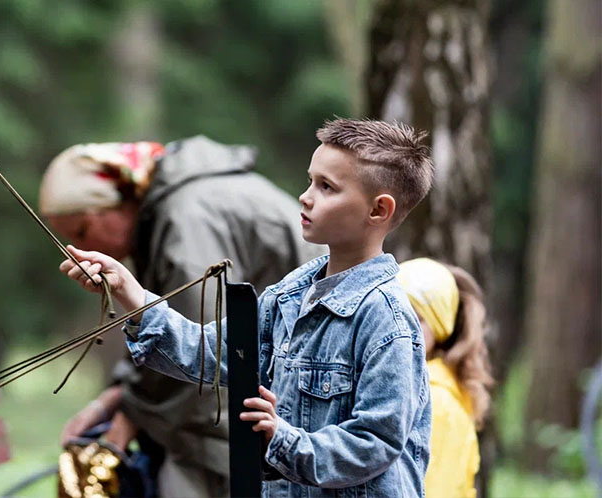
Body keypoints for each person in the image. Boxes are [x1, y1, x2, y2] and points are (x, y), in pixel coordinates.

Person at [59, 118, 435, 497]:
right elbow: (208, 354)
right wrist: (130, 291)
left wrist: (283, 439)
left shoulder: (386, 320)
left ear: (378, 211)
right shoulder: (288, 295)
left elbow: (376, 442)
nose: (306, 196)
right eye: (310, 181)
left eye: (326, 187)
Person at [40, 137, 323, 496]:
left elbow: (199, 354)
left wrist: (128, 421)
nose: (87, 249)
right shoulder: (171, 209)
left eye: (83, 231)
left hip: (296, 403)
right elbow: (168, 326)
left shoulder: (185, 221)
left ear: (120, 202)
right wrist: (112, 400)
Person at [397, 258, 493, 498]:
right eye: (391, 313)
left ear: (439, 327)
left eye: (416, 319)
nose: (398, 328)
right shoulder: (410, 389)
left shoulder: (436, 403)